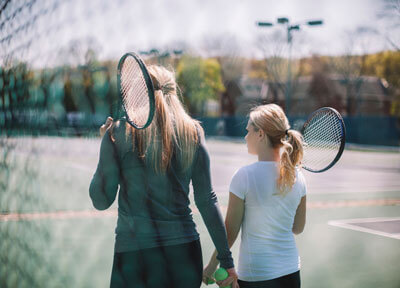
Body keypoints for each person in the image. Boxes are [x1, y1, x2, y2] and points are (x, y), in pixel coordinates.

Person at [90, 65, 238, 288]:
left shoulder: (119, 132)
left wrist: (106, 145)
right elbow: (207, 200)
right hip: (184, 256)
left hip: (134, 255)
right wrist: (226, 261)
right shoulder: (193, 131)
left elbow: (101, 200)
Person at [203, 104, 306, 288]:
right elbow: (298, 228)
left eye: (248, 131)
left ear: (261, 134)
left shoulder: (244, 176)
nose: (245, 136)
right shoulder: (298, 176)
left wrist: (211, 266)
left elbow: (230, 232)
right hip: (291, 273)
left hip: (257, 277)